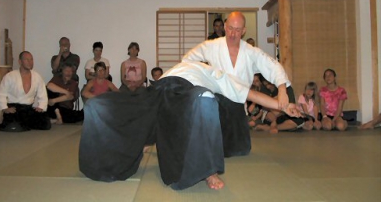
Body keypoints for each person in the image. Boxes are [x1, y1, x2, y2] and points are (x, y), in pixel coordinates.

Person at [79, 61, 300, 190]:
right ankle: (113, 150)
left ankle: (207, 171)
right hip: (158, 89)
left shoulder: (221, 77)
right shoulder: (187, 63)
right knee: (103, 106)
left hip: (185, 91)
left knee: (205, 98)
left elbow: (251, 94)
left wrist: (284, 106)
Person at [181, 11, 296, 188]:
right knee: (212, 137)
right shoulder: (212, 46)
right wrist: (203, 77)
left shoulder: (251, 52)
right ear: (225, 27)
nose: (233, 34)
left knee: (241, 150)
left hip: (238, 104)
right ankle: (207, 161)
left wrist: (282, 89)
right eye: (230, 28)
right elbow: (187, 61)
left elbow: (272, 66)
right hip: (216, 103)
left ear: (243, 31)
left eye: (237, 30)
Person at [0, 51, 51, 131]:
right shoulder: (10, 76)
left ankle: (25, 124)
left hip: (28, 108)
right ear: (20, 61)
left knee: (45, 124)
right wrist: (5, 108)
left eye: (31, 59)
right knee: (14, 125)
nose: (30, 62)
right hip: (14, 108)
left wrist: (41, 107)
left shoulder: (37, 76)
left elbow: (43, 94)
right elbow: (1, 93)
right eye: (27, 59)